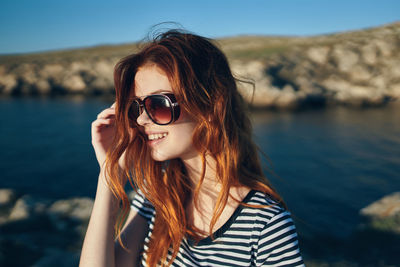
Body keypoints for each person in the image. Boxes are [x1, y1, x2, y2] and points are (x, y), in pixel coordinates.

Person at [80, 29, 304, 267]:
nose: (142, 120)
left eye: (159, 104)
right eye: (135, 108)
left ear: (209, 107)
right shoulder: (155, 196)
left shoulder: (264, 224)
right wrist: (110, 174)